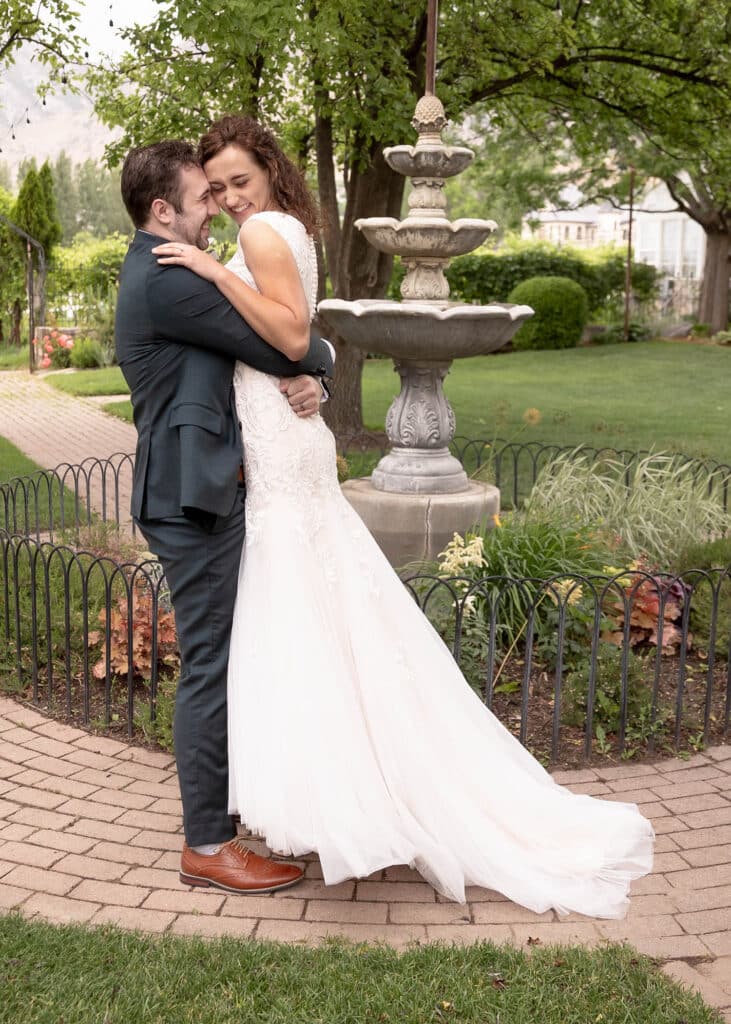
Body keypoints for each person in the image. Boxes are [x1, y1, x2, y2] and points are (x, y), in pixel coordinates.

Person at [151, 115, 654, 918]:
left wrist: (216, 276)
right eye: (216, 189)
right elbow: (300, 341)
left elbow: (285, 332)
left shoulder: (263, 237)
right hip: (285, 438)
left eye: (239, 181)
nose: (229, 198)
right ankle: (326, 790)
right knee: (316, 620)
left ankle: (328, 798)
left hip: (284, 450)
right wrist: (301, 359)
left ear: (271, 174)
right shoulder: (278, 232)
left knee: (300, 617)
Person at [115, 139, 334, 895]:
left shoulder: (163, 268)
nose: (216, 207)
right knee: (208, 664)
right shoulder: (169, 278)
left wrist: (311, 376)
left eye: (222, 191)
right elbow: (284, 345)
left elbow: (274, 347)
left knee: (229, 656)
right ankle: (207, 843)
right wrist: (320, 366)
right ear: (161, 211)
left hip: (200, 490)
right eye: (201, 197)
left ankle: (236, 808)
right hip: (191, 498)